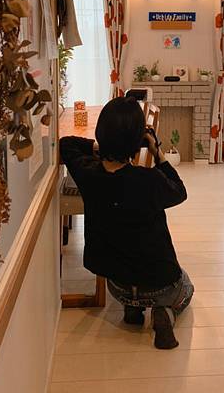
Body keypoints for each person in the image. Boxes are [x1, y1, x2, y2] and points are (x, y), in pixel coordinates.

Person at [60, 96, 194, 349]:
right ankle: (164, 312)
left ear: (101, 134)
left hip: (117, 286)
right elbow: (180, 190)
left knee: (131, 280)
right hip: (159, 284)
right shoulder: (150, 180)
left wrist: (101, 147)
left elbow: (66, 144)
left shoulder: (87, 174)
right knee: (186, 286)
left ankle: (132, 309)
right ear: (137, 142)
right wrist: (156, 152)